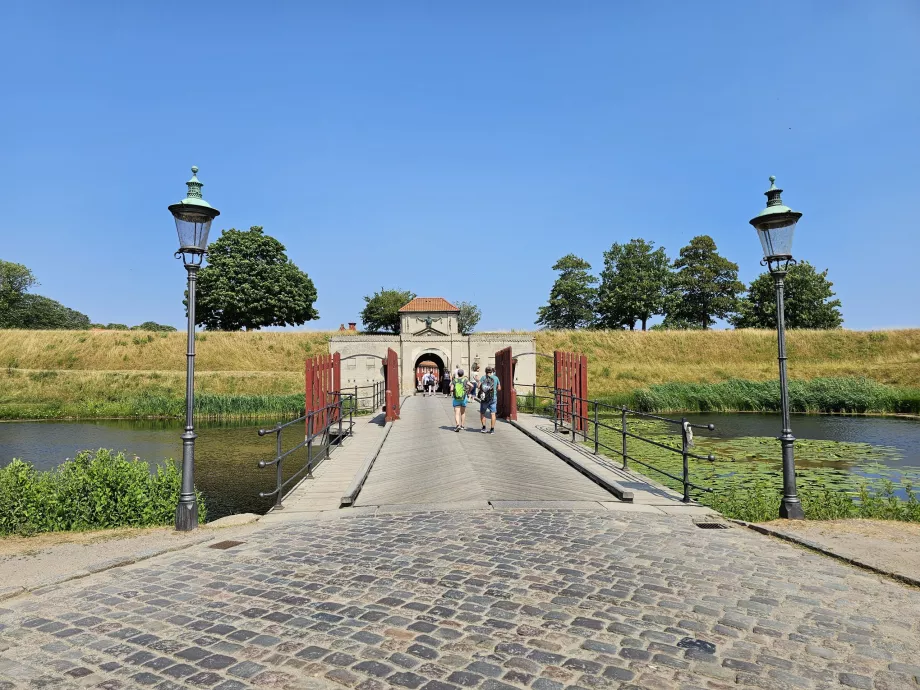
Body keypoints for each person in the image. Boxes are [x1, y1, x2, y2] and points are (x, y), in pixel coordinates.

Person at [478, 365, 500, 434]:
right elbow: (499, 388)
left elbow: (478, 386)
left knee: (482, 413)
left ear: (485, 371)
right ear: (492, 371)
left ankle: (484, 428)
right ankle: (492, 429)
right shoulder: (496, 378)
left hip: (484, 398)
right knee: (493, 414)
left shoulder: (483, 378)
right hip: (493, 398)